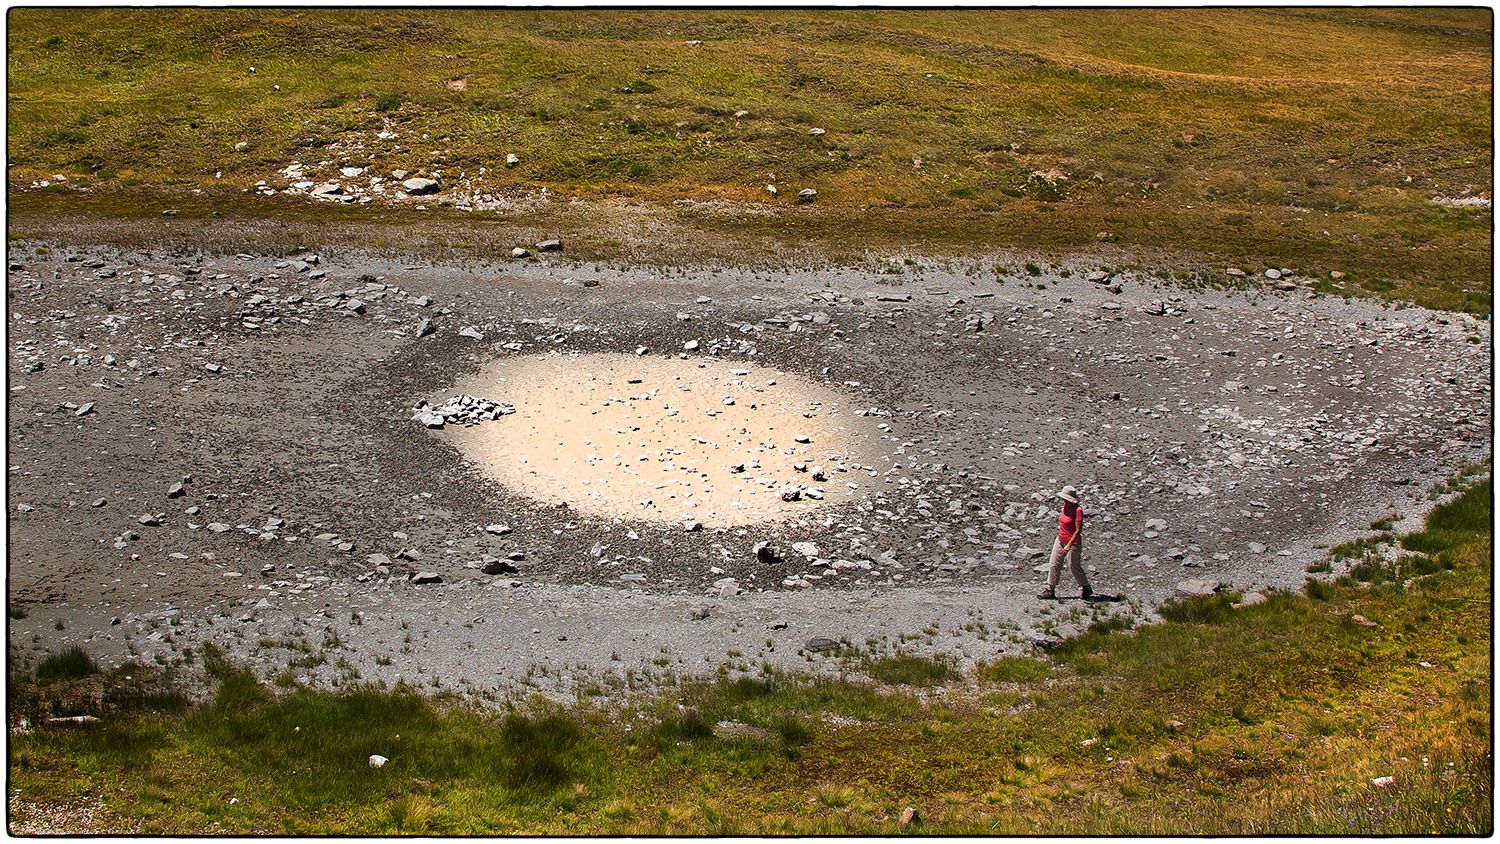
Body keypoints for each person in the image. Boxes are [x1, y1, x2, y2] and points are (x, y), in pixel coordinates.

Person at [1038, 485, 1092, 600]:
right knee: (1054, 564)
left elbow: (1078, 531)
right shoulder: (1064, 506)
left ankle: (1085, 586)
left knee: (1073, 565)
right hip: (1060, 539)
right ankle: (1050, 589)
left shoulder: (1078, 511)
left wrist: (1068, 545)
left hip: (1073, 543)